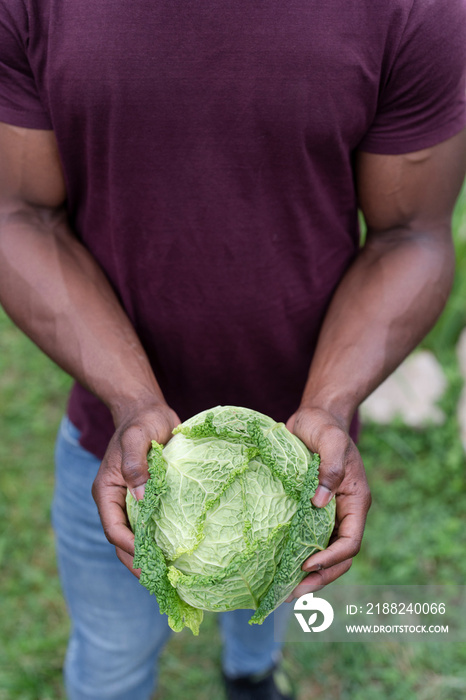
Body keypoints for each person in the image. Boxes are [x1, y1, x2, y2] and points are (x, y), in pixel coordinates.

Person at [0, 1, 465, 698]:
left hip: (309, 463)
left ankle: (251, 675)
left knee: (268, 609)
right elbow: (20, 213)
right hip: (119, 449)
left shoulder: (414, 9)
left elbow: (412, 233)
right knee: (112, 657)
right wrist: (132, 400)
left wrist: (330, 406)